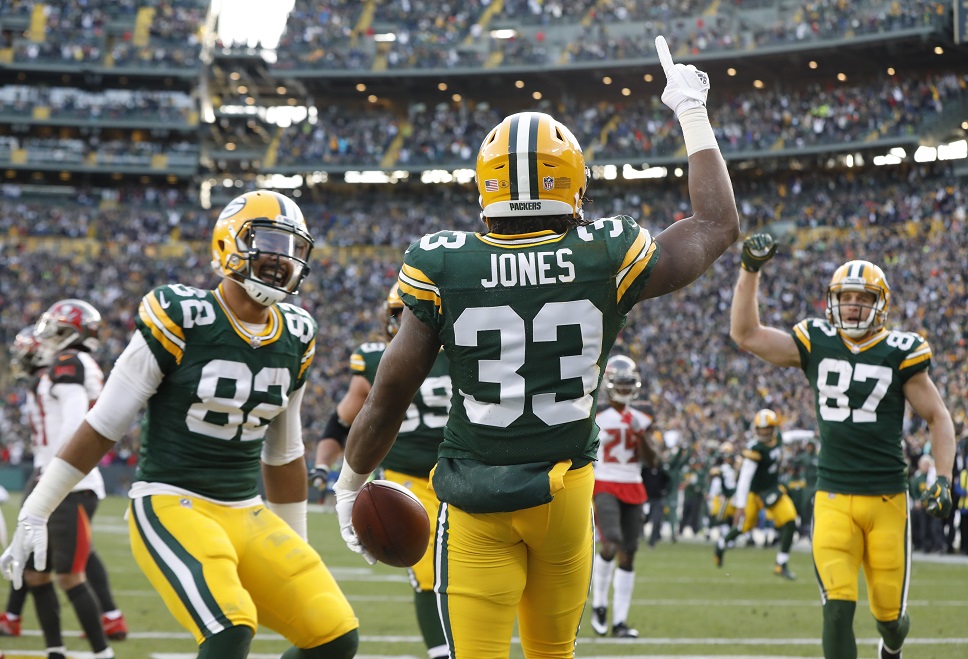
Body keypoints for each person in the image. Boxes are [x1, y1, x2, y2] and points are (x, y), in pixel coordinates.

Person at [333, 35, 740, 658]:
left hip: (471, 495)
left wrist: (349, 483)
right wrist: (690, 111)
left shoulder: (444, 262)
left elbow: (389, 395)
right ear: (573, 183)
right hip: (565, 495)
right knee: (553, 654)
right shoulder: (605, 254)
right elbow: (716, 225)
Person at [1, 190, 360, 659]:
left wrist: (295, 547)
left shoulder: (296, 332)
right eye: (269, 241)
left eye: (293, 249)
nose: (281, 259)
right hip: (171, 503)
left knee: (335, 637)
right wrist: (37, 508)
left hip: (245, 511)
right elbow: (105, 423)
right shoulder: (182, 315)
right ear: (229, 244)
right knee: (230, 630)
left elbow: (285, 451)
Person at [729, 233, 955, 659]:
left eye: (863, 298)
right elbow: (746, 334)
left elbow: (938, 417)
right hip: (832, 497)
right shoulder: (818, 341)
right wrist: (750, 269)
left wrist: (942, 478)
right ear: (832, 300)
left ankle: (891, 647)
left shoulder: (900, 351)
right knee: (836, 608)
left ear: (880, 304)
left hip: (888, 499)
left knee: (891, 619)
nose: (852, 305)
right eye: (845, 297)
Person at [312, 286, 451, 659]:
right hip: (408, 479)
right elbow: (342, 422)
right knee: (426, 572)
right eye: (398, 314)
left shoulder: (465, 349)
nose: (405, 322)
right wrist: (324, 465)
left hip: (461, 474)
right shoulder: (375, 358)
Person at [7, 305, 119, 659]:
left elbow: (74, 424)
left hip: (67, 483)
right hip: (51, 478)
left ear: (72, 332)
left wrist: (56, 473)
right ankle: (55, 650)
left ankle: (103, 653)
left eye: (56, 330)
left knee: (69, 577)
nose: (48, 337)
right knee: (35, 576)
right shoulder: (65, 363)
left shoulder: (70, 360)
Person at [589, 355, 656, 639]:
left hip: (633, 483)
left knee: (628, 553)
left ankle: (620, 622)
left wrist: (641, 436)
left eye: (630, 383)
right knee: (611, 541)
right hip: (605, 481)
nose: (626, 388)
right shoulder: (597, 414)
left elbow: (653, 461)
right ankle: (599, 604)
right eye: (622, 383)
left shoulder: (643, 416)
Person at [713, 409, 799, 579]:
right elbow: (744, 478)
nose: (764, 431)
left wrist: (812, 434)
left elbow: (790, 436)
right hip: (754, 493)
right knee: (743, 527)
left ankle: (781, 563)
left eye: (767, 428)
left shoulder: (777, 439)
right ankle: (721, 544)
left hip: (772, 489)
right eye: (761, 428)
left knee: (790, 519)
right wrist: (740, 506)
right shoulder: (755, 448)